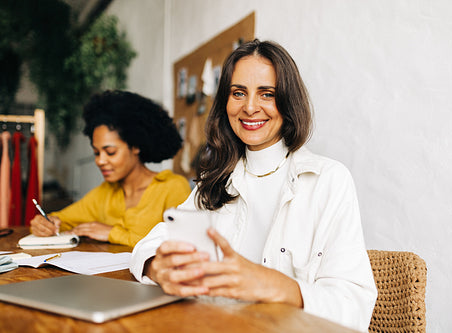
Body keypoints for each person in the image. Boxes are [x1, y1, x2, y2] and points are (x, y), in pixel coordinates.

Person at [130, 40, 377, 332]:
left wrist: (278, 286)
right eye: (238, 93)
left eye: (267, 94)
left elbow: (354, 307)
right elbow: (148, 245)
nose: (249, 107)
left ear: (288, 101)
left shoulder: (328, 180)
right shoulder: (216, 180)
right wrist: (157, 266)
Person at [30, 90, 191, 247]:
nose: (100, 161)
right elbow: (61, 220)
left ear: (135, 146)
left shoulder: (172, 187)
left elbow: (182, 244)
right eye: (96, 152)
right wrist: (44, 224)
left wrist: (112, 233)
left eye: (110, 152)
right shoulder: (104, 194)